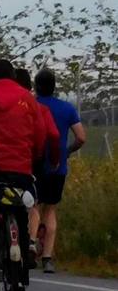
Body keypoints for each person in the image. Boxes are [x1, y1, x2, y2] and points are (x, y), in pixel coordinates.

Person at [0, 58, 50, 289]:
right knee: (21, 213)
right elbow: (40, 134)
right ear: (13, 76)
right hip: (19, 168)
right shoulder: (27, 99)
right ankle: (21, 274)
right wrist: (36, 157)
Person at [30, 69, 83, 274]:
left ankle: (31, 243)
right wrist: (66, 151)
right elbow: (81, 137)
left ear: (36, 85)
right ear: (54, 86)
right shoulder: (67, 108)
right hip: (58, 166)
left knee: (32, 205)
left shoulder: (32, 105)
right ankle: (48, 258)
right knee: (50, 210)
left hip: (35, 164)